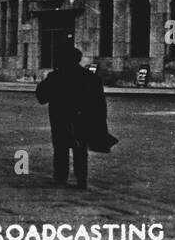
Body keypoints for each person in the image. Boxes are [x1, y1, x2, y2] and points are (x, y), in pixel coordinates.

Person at [36, 44, 117, 189]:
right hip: (82, 120)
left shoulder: (56, 77)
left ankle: (61, 178)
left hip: (60, 119)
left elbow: (41, 97)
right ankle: (81, 180)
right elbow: (99, 105)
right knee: (80, 151)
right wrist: (100, 125)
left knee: (61, 149)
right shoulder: (91, 78)